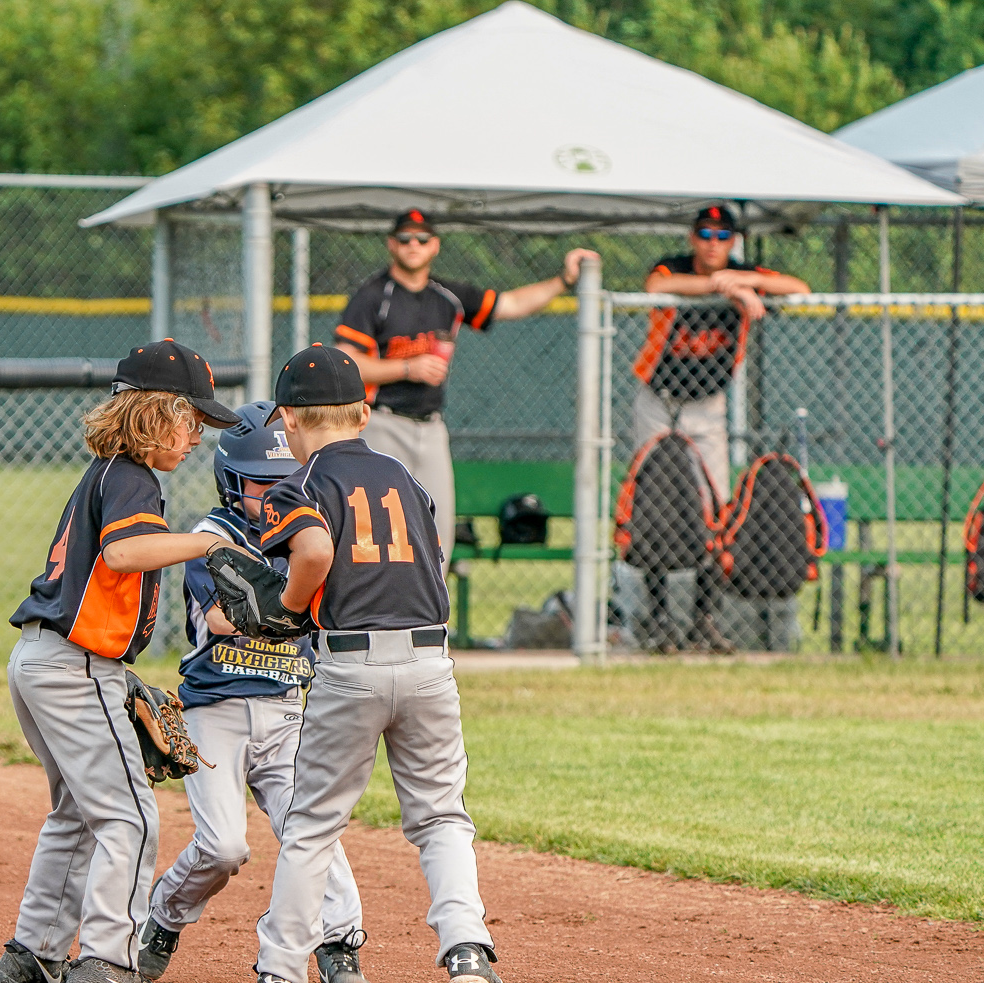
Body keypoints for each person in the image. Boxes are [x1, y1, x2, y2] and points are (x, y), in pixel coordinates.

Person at [245, 344, 499, 983]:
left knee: (313, 824)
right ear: (364, 411)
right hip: (429, 660)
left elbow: (316, 550)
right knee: (442, 815)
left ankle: (277, 972)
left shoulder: (298, 486)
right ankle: (467, 947)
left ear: (288, 421)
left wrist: (289, 608)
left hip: (351, 664)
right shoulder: (405, 476)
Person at [0, 339, 239, 983]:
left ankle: (35, 951)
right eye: (190, 421)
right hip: (75, 667)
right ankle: (109, 962)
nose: (194, 438)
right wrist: (208, 541)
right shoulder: (131, 477)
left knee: (77, 813)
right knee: (128, 816)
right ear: (157, 415)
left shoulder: (104, 474)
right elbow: (126, 551)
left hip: (42, 661)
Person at [134, 401, 371, 983]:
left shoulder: (308, 528)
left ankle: (338, 942)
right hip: (215, 710)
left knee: (310, 828)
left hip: (289, 710)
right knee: (223, 846)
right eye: (259, 485)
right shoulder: (209, 539)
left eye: (284, 483)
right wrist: (298, 598)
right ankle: (163, 916)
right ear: (230, 481)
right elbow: (222, 619)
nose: (272, 496)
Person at [334, 208, 598, 563]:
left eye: (422, 238)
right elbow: (345, 362)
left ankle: (433, 613)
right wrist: (407, 367)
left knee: (438, 524)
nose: (414, 245)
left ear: (435, 246)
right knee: (380, 527)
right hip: (381, 423)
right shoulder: (372, 296)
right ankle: (383, 612)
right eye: (405, 238)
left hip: (431, 426)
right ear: (391, 245)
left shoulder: (448, 297)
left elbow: (513, 304)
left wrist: (563, 280)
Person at [632, 204, 810, 652]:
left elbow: (798, 288)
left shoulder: (743, 270)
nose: (713, 244)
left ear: (733, 241)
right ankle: (657, 623)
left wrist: (743, 284)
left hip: (708, 406)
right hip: (658, 398)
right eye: (705, 234)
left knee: (714, 509)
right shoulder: (675, 267)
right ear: (693, 238)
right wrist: (719, 286)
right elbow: (659, 285)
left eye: (722, 236)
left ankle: (702, 621)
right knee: (655, 505)